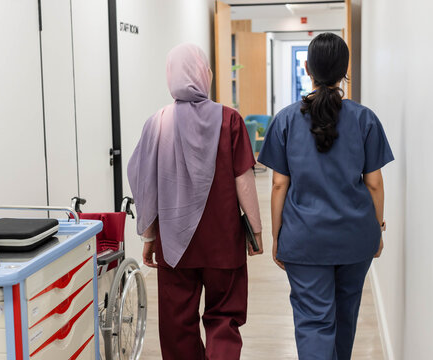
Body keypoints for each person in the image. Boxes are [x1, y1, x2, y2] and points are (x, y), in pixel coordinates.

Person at [258, 33, 394, 360]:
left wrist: (279, 236)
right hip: (355, 238)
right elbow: (374, 183)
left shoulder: (287, 119)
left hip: (304, 240)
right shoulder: (365, 119)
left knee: (314, 321)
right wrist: (376, 229)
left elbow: (279, 186)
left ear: (307, 68)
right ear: (345, 70)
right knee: (345, 316)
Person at [127, 43, 263, 360]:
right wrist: (255, 231)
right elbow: (244, 179)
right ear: (205, 75)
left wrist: (149, 237)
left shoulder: (156, 123)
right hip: (224, 243)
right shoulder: (230, 120)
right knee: (224, 319)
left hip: (174, 246)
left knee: (177, 327)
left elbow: (144, 185)